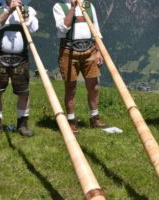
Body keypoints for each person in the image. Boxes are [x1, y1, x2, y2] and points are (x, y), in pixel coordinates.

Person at [0, 0, 39, 139]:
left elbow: (34, 28)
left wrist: (23, 13)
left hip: (20, 59)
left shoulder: (28, 9)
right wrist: (9, 11)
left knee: (24, 93)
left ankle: (22, 125)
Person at [53, 0, 106, 133]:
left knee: (94, 86)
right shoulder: (59, 6)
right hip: (68, 50)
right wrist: (72, 8)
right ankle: (71, 120)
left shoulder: (88, 5)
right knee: (70, 87)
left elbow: (96, 28)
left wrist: (99, 49)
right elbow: (63, 27)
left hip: (90, 49)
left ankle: (94, 117)